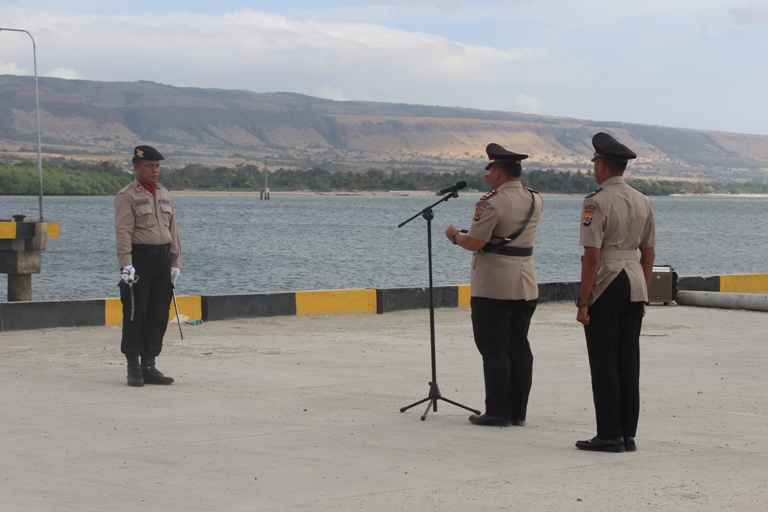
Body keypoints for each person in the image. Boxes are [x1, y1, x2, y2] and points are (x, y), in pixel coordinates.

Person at [446, 143, 543, 427]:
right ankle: (517, 412)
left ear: (499, 172)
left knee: (493, 347)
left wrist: (454, 236)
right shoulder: (536, 199)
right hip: (525, 282)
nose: (487, 177)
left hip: (494, 286)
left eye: (490, 171)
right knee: (519, 347)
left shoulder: (490, 202)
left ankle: (498, 411)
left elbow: (476, 242)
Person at [575, 132, 656, 452]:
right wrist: (644, 293)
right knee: (627, 360)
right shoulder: (643, 199)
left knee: (603, 360)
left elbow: (592, 256)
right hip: (635, 281)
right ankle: (627, 433)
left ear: (604, 166)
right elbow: (648, 255)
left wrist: (583, 301)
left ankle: (609, 433)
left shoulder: (595, 201)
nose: (595, 168)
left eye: (596, 162)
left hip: (607, 281)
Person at [115, 145, 182, 387]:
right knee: (135, 313)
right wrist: (126, 264)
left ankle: (149, 365)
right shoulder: (128, 195)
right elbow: (123, 231)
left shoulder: (164, 194)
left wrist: (176, 261)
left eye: (158, 166)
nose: (155, 171)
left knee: (158, 314)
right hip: (139, 260)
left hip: (163, 260)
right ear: (136, 167)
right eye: (150, 166)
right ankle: (133, 368)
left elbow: (172, 229)